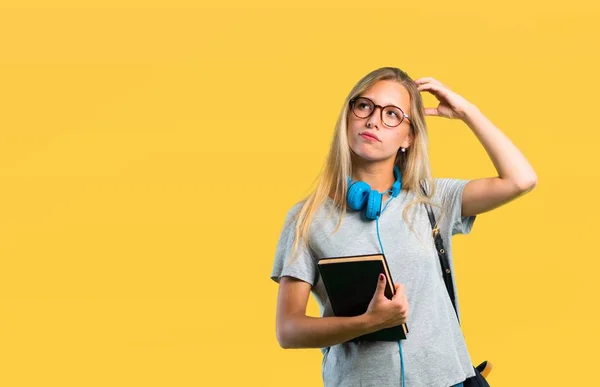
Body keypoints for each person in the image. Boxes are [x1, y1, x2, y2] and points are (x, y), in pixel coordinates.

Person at [270, 67, 537, 387]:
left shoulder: (432, 199)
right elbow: (289, 330)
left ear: (408, 137)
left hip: (447, 382)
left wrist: (468, 112)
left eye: (392, 114)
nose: (373, 120)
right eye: (364, 106)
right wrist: (368, 322)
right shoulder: (307, 218)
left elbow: (521, 179)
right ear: (348, 116)